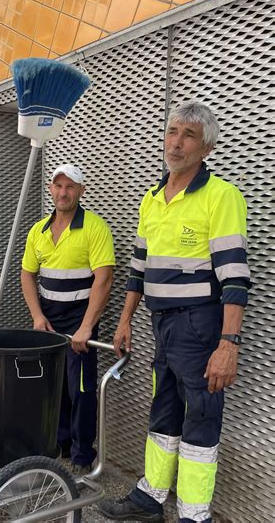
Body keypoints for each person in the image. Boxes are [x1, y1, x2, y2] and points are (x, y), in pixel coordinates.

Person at [98, 101, 251, 522]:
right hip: (161, 324)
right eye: (172, 132)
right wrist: (126, 320)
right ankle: (151, 498)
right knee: (162, 409)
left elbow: (236, 277)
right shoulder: (152, 198)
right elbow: (138, 268)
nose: (177, 142)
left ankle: (193, 514)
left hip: (200, 325)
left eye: (188, 135)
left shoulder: (221, 196)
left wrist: (229, 343)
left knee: (200, 415)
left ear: (206, 148)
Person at [21, 164, 115, 471]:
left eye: (70, 187)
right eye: (58, 186)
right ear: (50, 189)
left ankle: (82, 454)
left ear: (81, 191)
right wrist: (37, 317)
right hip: (48, 320)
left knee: (81, 390)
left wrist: (87, 327)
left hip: (79, 323)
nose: (63, 192)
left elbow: (104, 278)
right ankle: (59, 445)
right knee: (54, 386)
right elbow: (27, 274)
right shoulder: (38, 230)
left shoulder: (94, 227)